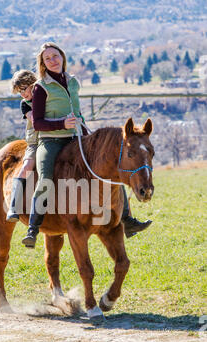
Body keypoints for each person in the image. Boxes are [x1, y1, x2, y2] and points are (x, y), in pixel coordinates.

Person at [22, 42, 151, 247]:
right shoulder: (40, 87)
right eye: (48, 58)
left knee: (114, 168)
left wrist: (83, 130)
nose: (53, 60)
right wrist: (61, 123)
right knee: (45, 177)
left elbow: (77, 111)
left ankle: (128, 220)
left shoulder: (72, 82)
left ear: (62, 57)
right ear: (43, 64)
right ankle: (33, 228)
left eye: (55, 56)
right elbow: (37, 122)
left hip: (76, 137)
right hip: (50, 141)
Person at [6, 70, 38, 222]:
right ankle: (14, 206)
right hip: (35, 142)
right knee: (27, 167)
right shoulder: (25, 104)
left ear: (33, 84)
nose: (23, 94)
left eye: (24, 89)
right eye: (20, 91)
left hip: (55, 137)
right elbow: (35, 119)